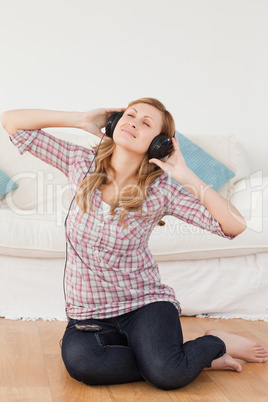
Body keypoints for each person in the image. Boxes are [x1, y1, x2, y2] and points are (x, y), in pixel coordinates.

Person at [1, 98, 268, 390]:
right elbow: (11, 121)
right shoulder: (80, 162)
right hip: (89, 315)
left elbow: (235, 224)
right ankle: (187, 358)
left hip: (144, 305)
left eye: (146, 123)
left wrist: (184, 174)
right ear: (114, 124)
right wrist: (80, 119)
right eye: (130, 115)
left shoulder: (162, 190)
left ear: (159, 144)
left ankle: (213, 343)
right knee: (84, 365)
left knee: (168, 375)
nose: (133, 123)